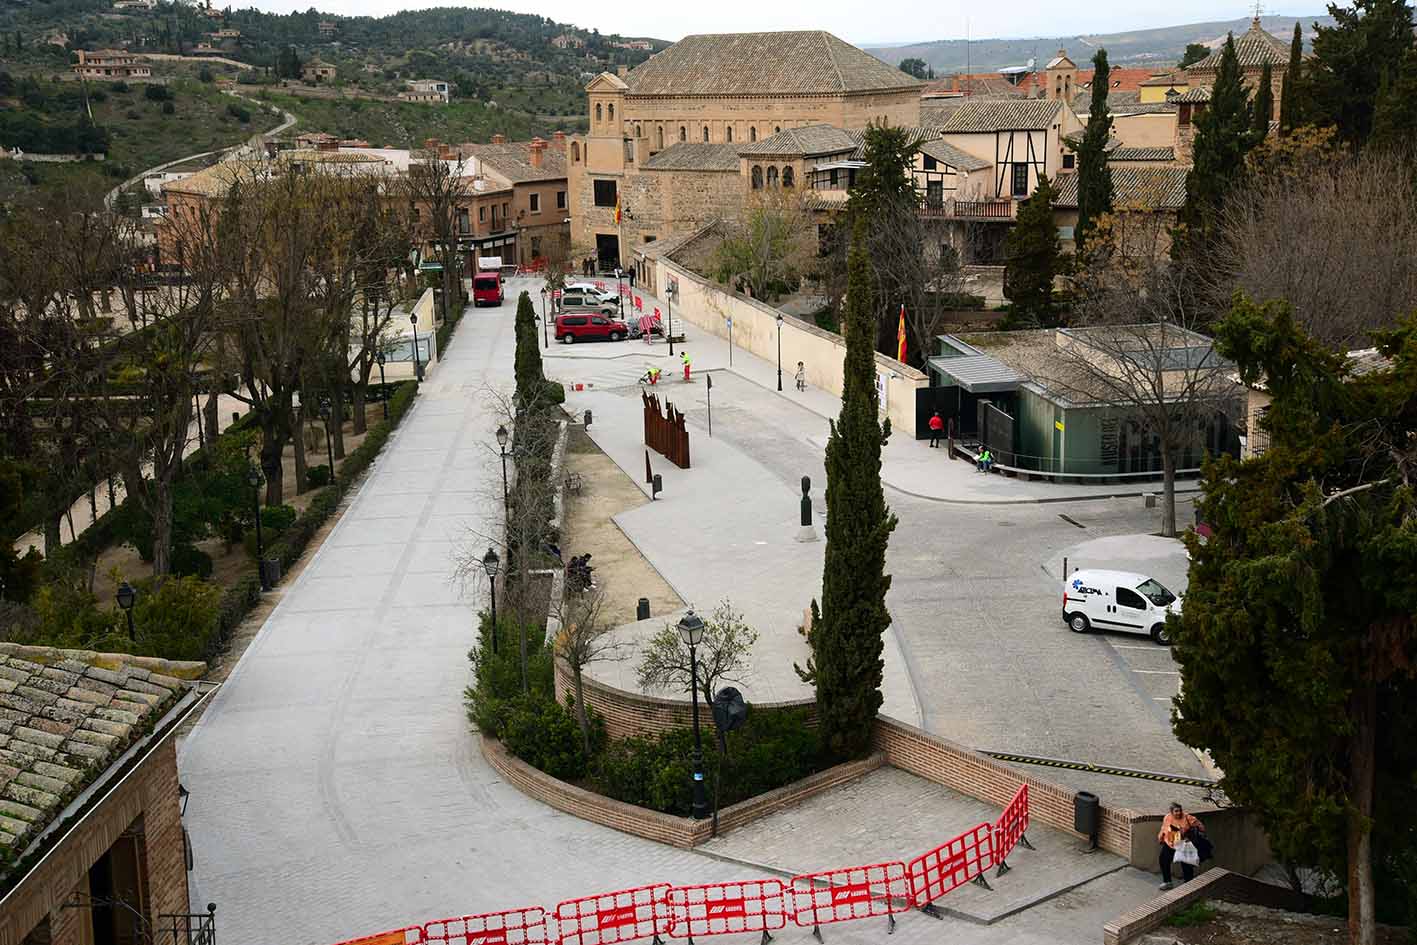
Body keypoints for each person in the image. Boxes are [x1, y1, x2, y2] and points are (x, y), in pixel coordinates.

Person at [1157, 802, 1203, 890]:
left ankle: (1188, 885)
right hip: (1170, 844)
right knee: (1163, 861)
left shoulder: (1188, 817)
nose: (1179, 813)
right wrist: (1160, 836)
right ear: (1171, 812)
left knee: (1186, 865)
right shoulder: (1167, 817)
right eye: (1176, 811)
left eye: (1180, 810)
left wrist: (1191, 837)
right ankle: (1167, 882)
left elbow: (1200, 827)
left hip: (1183, 845)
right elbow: (1164, 827)